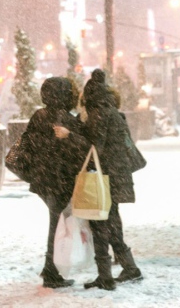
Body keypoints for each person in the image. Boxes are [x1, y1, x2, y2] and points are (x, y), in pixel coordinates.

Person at [20, 77, 90, 288]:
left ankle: (50, 267)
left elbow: (28, 144)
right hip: (61, 180)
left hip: (44, 179)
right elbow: (82, 149)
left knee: (55, 221)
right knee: (58, 224)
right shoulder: (66, 119)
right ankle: (51, 271)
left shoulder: (38, 116)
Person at [79, 69, 143, 291]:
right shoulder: (112, 111)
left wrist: (72, 135)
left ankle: (105, 276)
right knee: (112, 221)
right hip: (116, 175)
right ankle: (129, 267)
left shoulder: (98, 114)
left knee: (99, 223)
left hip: (104, 177)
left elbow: (94, 146)